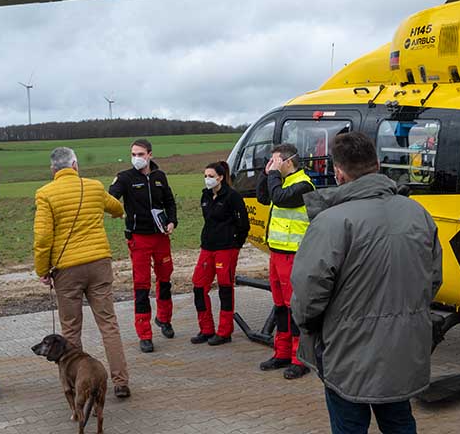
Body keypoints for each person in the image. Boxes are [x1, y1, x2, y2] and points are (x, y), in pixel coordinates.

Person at [291, 132, 443, 434]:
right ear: (376, 164)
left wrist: (308, 325)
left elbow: (309, 295)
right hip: (403, 348)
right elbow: (434, 279)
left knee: (349, 425)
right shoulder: (417, 213)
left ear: (338, 171)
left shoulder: (332, 221)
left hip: (348, 352)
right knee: (399, 421)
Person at [34, 147, 131, 399]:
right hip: (99, 263)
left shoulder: (44, 194)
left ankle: (75, 385)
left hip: (66, 270)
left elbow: (43, 237)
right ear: (75, 165)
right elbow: (117, 209)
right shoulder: (94, 186)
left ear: (53, 170)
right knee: (108, 325)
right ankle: (120, 381)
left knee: (71, 330)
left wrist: (42, 269)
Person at [109, 138, 177, 353]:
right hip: (139, 238)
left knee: (165, 278)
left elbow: (169, 202)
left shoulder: (159, 177)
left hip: (161, 236)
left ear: (150, 155)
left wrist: (172, 221)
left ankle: (164, 319)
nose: (136, 158)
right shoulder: (125, 177)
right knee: (141, 285)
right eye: (133, 154)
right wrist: (114, 202)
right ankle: (144, 333)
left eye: (140, 154)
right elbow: (111, 198)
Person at [255, 143, 315, 379]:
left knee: (293, 308)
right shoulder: (278, 181)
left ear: (288, 162)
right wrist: (265, 173)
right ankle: (281, 353)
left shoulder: (303, 185)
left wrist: (272, 176)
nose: (273, 165)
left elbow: (279, 198)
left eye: (276, 161)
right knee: (280, 307)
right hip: (277, 253)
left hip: (294, 255)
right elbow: (263, 196)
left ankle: (298, 359)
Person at [190, 161, 250, 346]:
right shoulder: (205, 196)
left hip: (226, 248)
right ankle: (206, 329)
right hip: (208, 247)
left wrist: (235, 244)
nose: (207, 179)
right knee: (199, 286)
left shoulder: (232, 197)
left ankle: (224, 332)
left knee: (225, 288)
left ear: (221, 177)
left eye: (211, 176)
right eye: (205, 176)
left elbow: (244, 225)